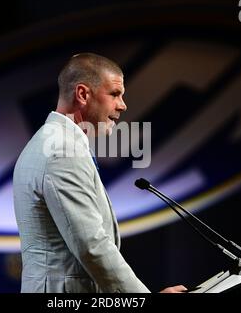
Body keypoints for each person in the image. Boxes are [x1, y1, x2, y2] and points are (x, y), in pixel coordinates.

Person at [13, 53, 186, 293]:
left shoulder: (53, 142)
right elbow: (91, 246)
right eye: (115, 94)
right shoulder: (62, 152)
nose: (123, 105)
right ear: (83, 94)